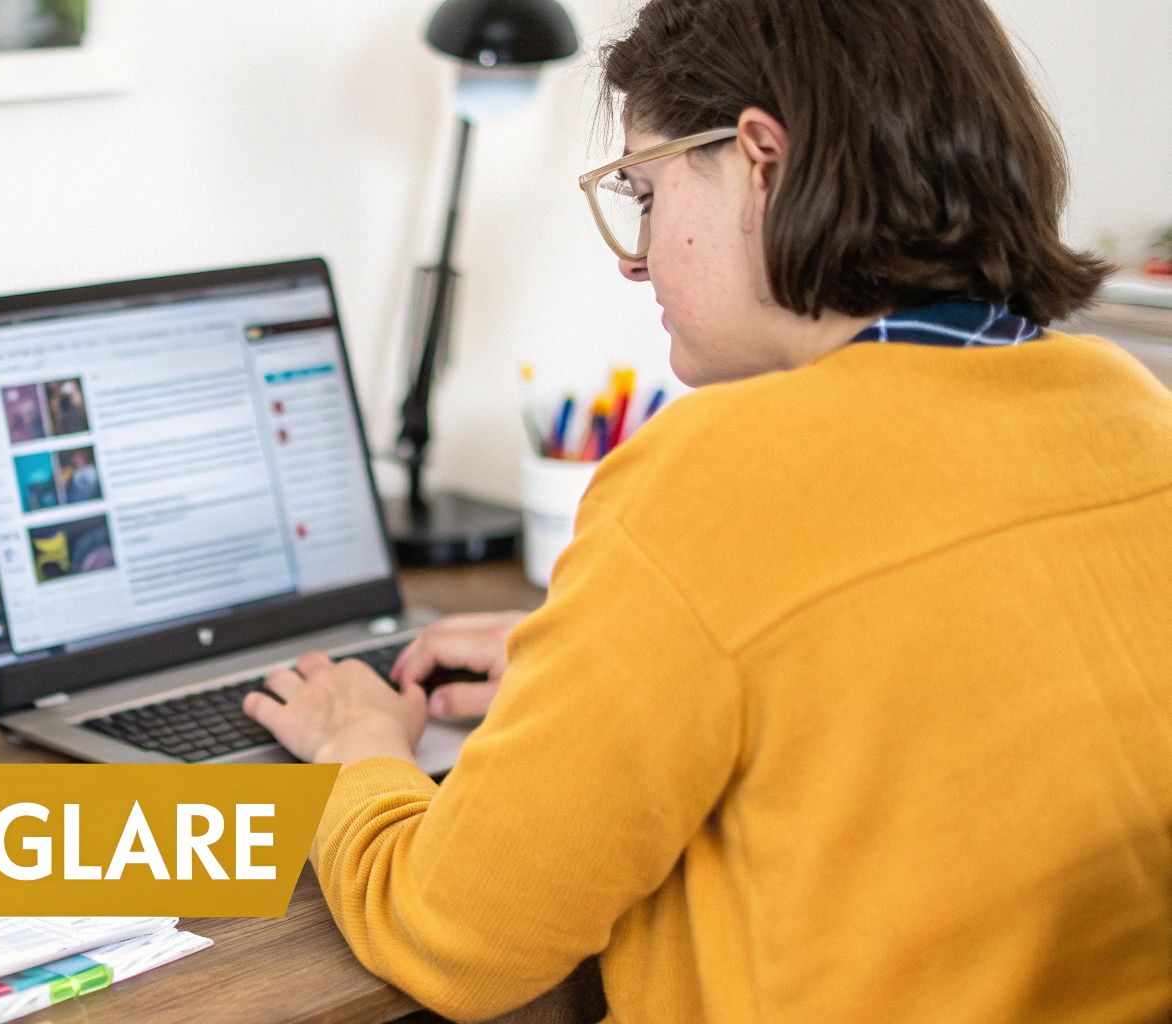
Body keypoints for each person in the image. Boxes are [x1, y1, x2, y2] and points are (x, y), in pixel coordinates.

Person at [242, 0, 1172, 1020]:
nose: (631, 256)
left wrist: (359, 746)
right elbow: (950, 679)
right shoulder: (1123, 405)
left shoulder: (710, 476)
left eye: (641, 192)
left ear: (759, 159)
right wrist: (612, 663)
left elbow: (454, 937)